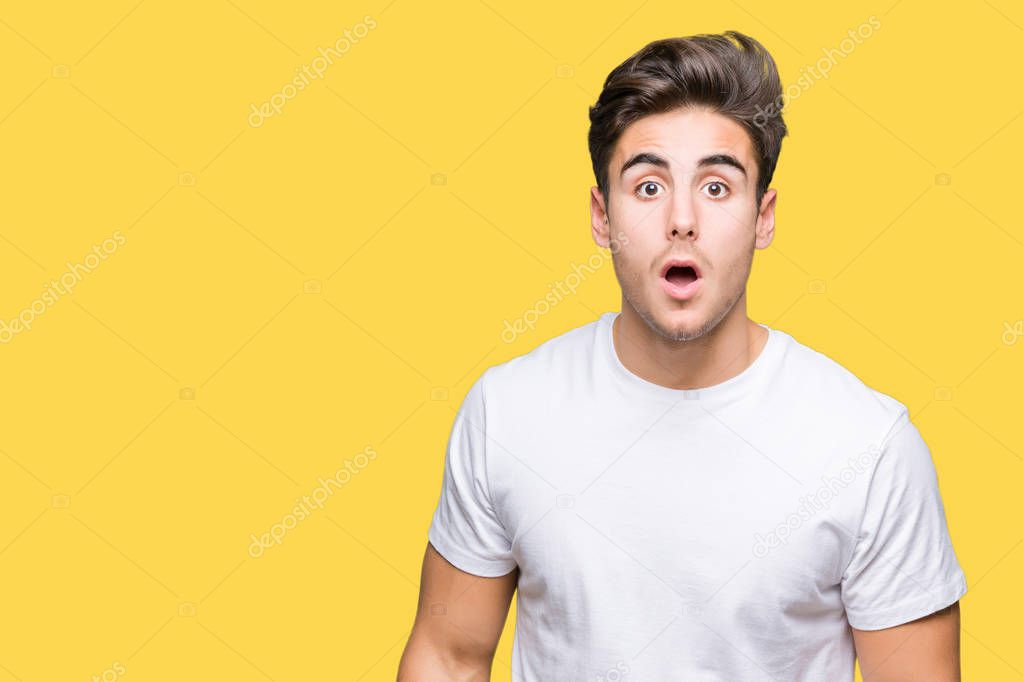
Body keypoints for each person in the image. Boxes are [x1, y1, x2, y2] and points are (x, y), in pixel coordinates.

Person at [398, 30, 965, 681]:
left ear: (763, 217)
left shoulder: (870, 447)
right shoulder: (506, 412)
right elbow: (449, 655)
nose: (681, 219)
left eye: (717, 188)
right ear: (601, 216)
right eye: (646, 187)